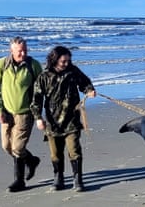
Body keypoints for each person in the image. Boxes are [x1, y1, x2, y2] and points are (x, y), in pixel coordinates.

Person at [31, 45, 96, 192]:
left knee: (74, 150)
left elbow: (85, 83)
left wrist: (90, 90)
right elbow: (36, 99)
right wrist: (38, 118)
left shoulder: (73, 71)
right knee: (55, 153)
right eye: (63, 61)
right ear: (54, 60)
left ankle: (78, 180)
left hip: (72, 119)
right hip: (52, 122)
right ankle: (58, 178)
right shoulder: (44, 76)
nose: (67, 63)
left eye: (68, 60)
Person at [0, 36, 43, 192]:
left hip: (25, 113)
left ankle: (19, 181)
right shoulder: (1, 64)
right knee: (6, 146)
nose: (23, 53)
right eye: (20, 51)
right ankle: (32, 161)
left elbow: (41, 90)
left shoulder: (33, 65)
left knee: (18, 148)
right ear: (11, 50)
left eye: (25, 50)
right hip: (6, 113)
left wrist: (38, 113)